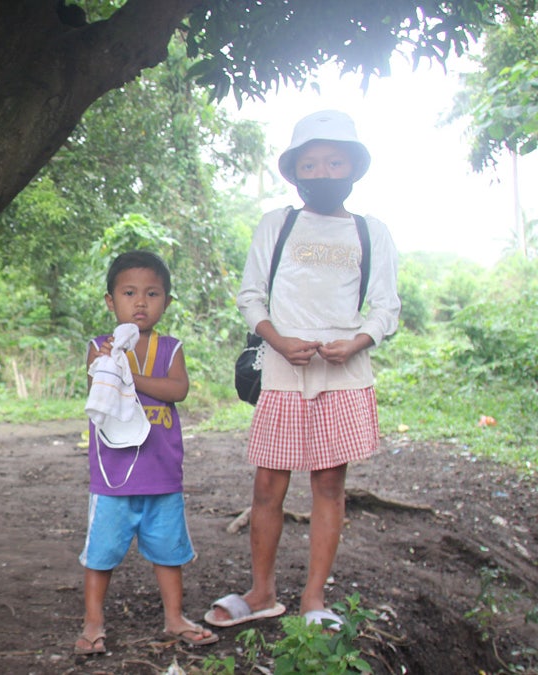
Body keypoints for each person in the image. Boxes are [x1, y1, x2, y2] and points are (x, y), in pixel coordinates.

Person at [205, 110, 401, 631]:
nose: (322, 173)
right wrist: (278, 341)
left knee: (329, 486)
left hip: (344, 377)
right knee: (267, 486)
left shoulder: (370, 231)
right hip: (282, 372)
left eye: (334, 162)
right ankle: (263, 591)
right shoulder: (279, 223)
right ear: (294, 173)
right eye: (310, 164)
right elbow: (251, 296)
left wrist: (357, 342)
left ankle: (314, 598)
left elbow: (386, 307)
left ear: (354, 169)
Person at [75, 251, 218, 656]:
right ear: (110, 301)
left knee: (168, 551)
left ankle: (175, 619)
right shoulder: (99, 348)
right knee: (100, 555)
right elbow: (96, 394)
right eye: (129, 292)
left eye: (152, 293)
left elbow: (178, 391)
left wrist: (130, 376)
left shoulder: (170, 349)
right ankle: (93, 623)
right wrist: (113, 367)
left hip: (162, 476)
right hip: (113, 480)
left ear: (167, 302)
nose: (140, 302)